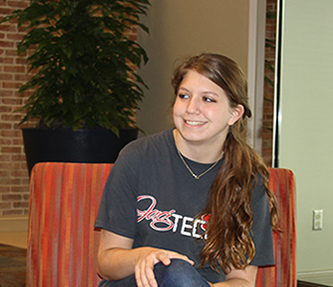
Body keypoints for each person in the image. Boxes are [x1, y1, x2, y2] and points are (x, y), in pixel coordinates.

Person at [95, 53, 279, 287]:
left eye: (208, 99)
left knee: (180, 277)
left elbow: (241, 280)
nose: (191, 108)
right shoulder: (137, 157)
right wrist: (145, 256)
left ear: (234, 114)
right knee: (174, 270)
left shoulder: (246, 179)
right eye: (184, 96)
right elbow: (106, 262)